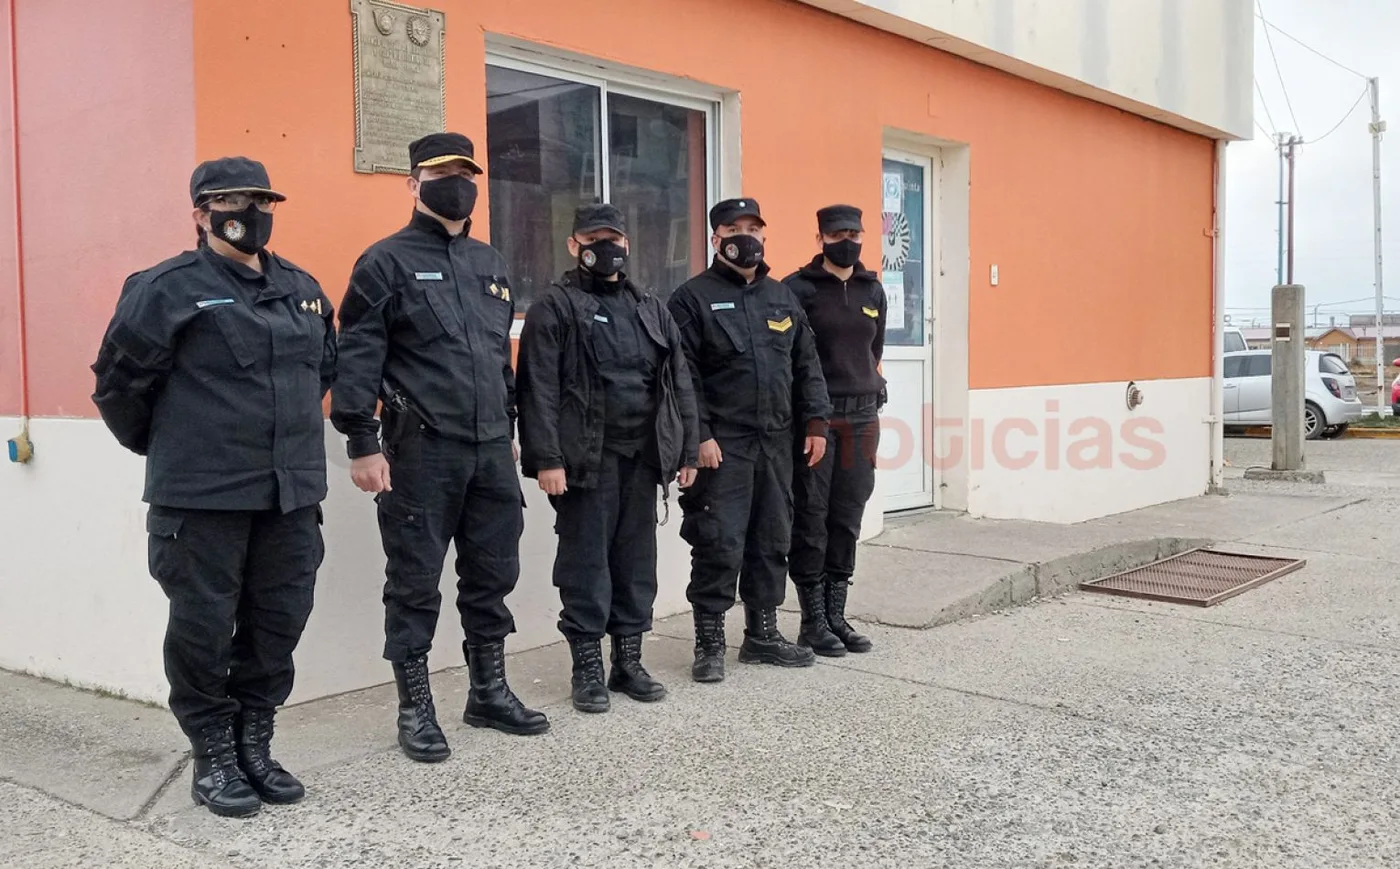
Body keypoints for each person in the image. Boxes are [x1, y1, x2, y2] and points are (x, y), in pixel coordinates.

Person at [91, 157, 336, 818]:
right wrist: (176, 448)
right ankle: (213, 753)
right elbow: (118, 386)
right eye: (230, 199)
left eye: (259, 198)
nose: (248, 210)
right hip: (201, 501)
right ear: (200, 212)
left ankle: (255, 740)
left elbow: (323, 369)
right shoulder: (164, 288)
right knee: (201, 630)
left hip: (289, 496)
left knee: (278, 623)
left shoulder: (303, 288)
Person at [330, 132, 547, 763]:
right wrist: (362, 441)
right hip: (418, 452)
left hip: (487, 451)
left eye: (465, 172)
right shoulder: (384, 262)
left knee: (492, 575)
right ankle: (415, 708)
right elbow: (359, 358)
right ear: (412, 183)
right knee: (415, 582)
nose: (456, 181)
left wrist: (506, 430)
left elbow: (497, 360)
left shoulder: (489, 263)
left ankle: (488, 692)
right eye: (441, 171)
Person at [516, 203, 700, 713]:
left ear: (627, 243)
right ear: (574, 245)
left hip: (643, 461)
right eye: (594, 238)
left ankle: (628, 661)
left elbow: (677, 381)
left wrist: (686, 448)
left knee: (635, 565)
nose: (607, 247)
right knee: (586, 567)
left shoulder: (650, 307)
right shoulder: (555, 306)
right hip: (583, 465)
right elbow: (538, 389)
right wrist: (547, 459)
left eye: (614, 237)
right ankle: (587, 669)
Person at [666, 197, 833, 683]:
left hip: (777, 443)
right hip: (724, 446)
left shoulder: (781, 297)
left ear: (765, 236)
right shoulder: (691, 298)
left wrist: (816, 423)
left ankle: (761, 636)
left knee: (771, 539)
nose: (746, 236)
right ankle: (710, 643)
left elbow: (807, 365)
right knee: (717, 541)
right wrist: (700, 435)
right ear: (715, 238)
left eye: (754, 228)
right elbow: (684, 376)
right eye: (734, 228)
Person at [782, 205, 885, 656]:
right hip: (818, 421)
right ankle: (812, 621)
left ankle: (836, 616)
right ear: (820, 237)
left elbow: (873, 351)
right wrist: (811, 417)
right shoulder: (797, 289)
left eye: (854, 232)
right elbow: (793, 361)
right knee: (812, 516)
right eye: (838, 232)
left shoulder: (872, 289)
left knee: (847, 516)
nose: (848, 239)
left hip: (863, 419)